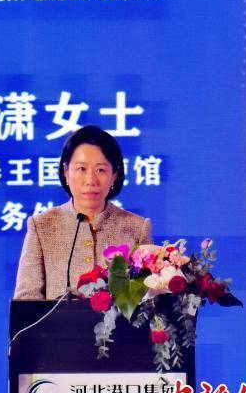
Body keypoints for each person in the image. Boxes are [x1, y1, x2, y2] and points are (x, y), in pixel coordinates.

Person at [13, 125, 152, 299]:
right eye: (81, 169)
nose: (90, 180)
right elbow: (26, 299)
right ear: (66, 172)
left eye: (100, 170)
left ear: (114, 175)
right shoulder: (42, 226)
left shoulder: (137, 228)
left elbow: (150, 299)